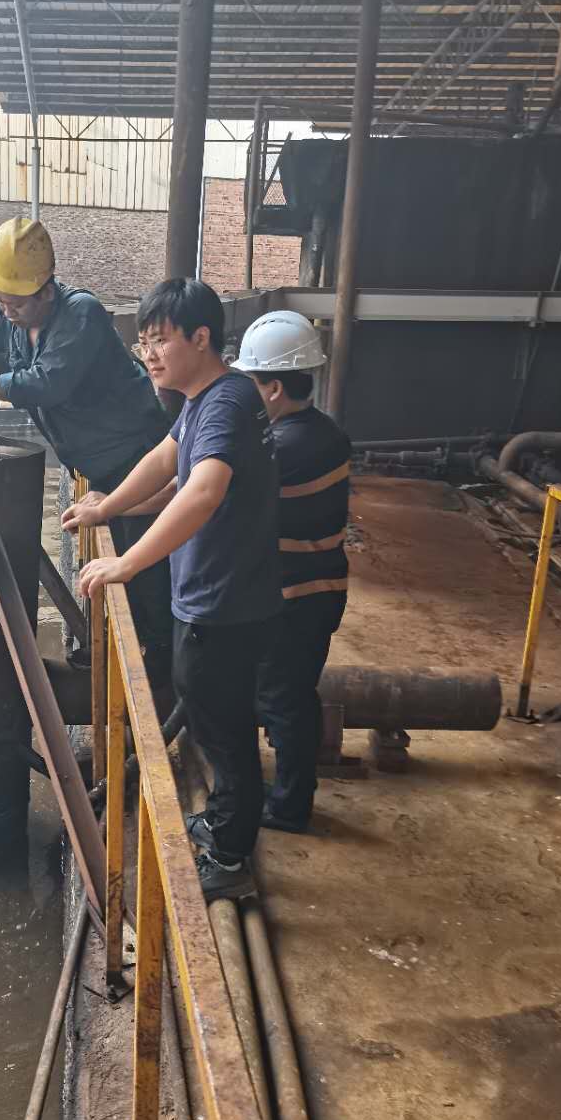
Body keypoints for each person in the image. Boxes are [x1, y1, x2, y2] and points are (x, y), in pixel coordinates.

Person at [63, 279, 279, 899]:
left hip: (225, 603)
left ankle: (231, 860)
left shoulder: (226, 403)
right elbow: (166, 461)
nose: (149, 355)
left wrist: (127, 563)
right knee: (211, 716)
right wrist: (107, 508)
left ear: (201, 337)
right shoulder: (210, 398)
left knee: (224, 731)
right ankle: (223, 821)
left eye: (160, 340)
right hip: (217, 594)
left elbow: (203, 492)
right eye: (143, 342)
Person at [0, 216, 173, 681]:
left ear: (46, 290)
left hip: (135, 459)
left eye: (16, 303)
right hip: (96, 467)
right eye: (0, 301)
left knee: (146, 576)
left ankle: (159, 676)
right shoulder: (8, 318)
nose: (6, 312)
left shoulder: (81, 314)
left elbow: (51, 381)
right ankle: (128, 656)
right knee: (115, 574)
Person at [236, 310, 350, 834]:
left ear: (275, 388)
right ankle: (288, 793)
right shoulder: (324, 432)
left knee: (284, 699)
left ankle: (289, 807)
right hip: (318, 589)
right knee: (291, 693)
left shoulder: (283, 447)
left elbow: (215, 494)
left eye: (251, 383)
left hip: (298, 594)